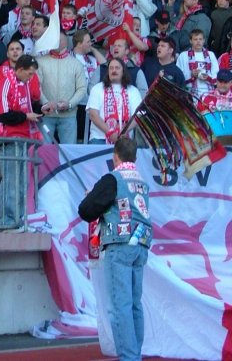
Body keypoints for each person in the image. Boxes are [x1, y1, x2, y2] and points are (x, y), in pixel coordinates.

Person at [78, 137, 152, 361]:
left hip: (119, 243)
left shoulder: (113, 178)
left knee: (120, 306)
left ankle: (129, 357)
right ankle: (135, 353)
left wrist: (92, 196)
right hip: (141, 244)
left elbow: (86, 210)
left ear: (115, 156)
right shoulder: (141, 181)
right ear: (135, 157)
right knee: (134, 304)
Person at [0, 54, 43, 227]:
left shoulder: (25, 85)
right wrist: (26, 116)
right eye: (30, 73)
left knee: (22, 183)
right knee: (11, 182)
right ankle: (7, 221)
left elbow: (28, 107)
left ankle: (18, 219)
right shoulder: (6, 83)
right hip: (9, 138)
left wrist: (42, 109)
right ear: (20, 69)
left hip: (24, 138)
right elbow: (3, 114)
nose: (31, 77)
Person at [36, 31, 87, 144]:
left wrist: (70, 104)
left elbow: (82, 88)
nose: (56, 42)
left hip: (69, 116)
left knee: (69, 151)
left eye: (59, 39)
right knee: (44, 151)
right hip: (46, 115)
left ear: (65, 42)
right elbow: (36, 86)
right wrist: (46, 103)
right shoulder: (40, 62)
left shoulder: (76, 64)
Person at [87, 59, 142, 144]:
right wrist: (110, 133)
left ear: (123, 71)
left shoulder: (133, 91)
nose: (114, 70)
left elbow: (138, 115)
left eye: (117, 68)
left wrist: (124, 131)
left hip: (124, 139)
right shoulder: (97, 88)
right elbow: (93, 115)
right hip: (99, 138)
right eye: (111, 68)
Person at [72, 29, 107, 142]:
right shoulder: (69, 57)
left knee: (86, 137)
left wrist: (93, 49)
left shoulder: (92, 59)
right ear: (79, 43)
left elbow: (105, 65)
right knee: (77, 136)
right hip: (76, 103)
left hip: (90, 103)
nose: (90, 44)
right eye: (88, 42)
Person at [176, 29, 218, 95]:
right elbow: (178, 75)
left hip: (208, 92)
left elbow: (216, 73)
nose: (198, 41)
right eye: (195, 39)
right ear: (190, 41)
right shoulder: (183, 55)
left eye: (200, 39)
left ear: (204, 40)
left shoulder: (211, 54)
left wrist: (208, 77)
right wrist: (191, 75)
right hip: (189, 92)